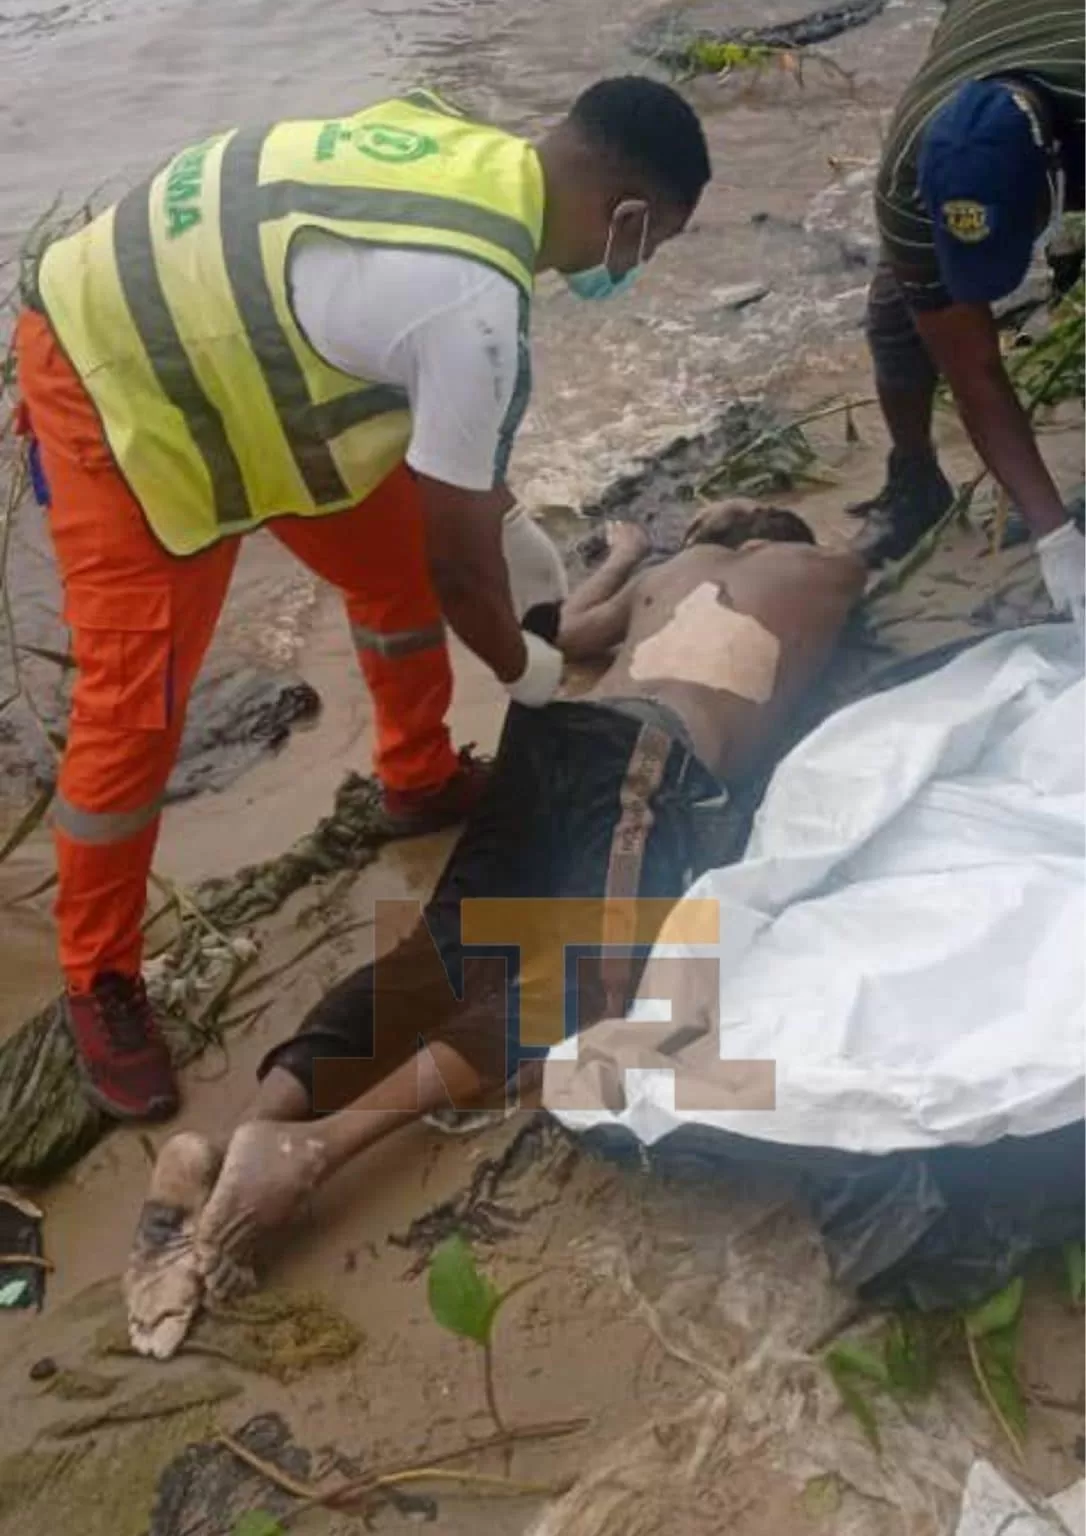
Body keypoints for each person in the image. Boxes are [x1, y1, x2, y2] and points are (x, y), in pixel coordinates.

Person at [14, 78, 712, 1122]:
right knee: (135, 706)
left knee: (388, 570)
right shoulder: (475, 309)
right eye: (646, 245)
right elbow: (463, 572)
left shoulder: (465, 147)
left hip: (248, 370)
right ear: (626, 211)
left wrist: (508, 529)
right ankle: (99, 979)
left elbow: (445, 487)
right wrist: (530, 672)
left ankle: (415, 776)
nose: (632, 269)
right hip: (117, 377)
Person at [123, 503, 866, 1359]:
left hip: (548, 735)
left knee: (443, 951)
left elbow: (565, 634)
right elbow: (856, 565)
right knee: (589, 983)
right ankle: (314, 1148)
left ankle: (235, 1135)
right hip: (640, 765)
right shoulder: (819, 573)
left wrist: (629, 550)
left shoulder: (666, 577)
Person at [849, 0, 1084, 613]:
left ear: (1053, 183)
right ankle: (915, 480)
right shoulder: (908, 179)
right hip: (988, 37)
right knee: (902, 313)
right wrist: (1054, 536)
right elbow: (973, 370)